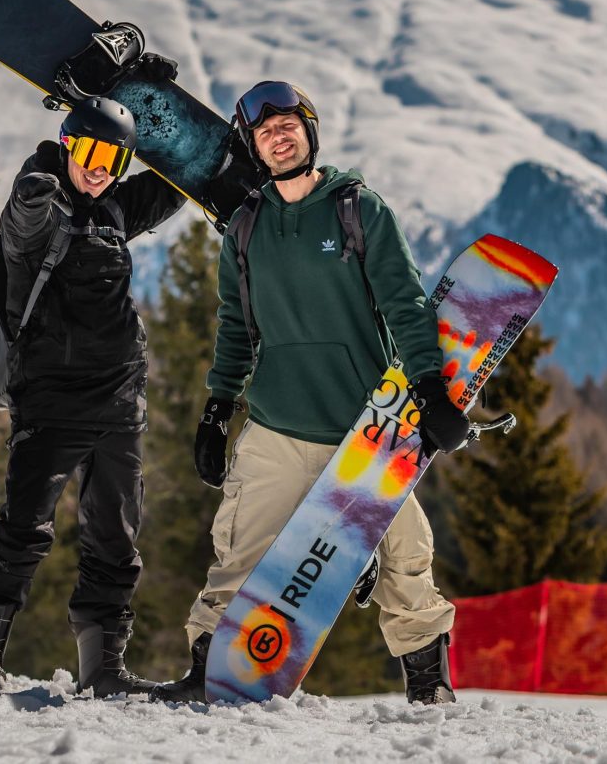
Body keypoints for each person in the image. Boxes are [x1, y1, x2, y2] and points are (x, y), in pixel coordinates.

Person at [152, 80, 469, 706]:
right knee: (237, 557)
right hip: (275, 426)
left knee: (408, 559)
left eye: (289, 122)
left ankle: (428, 687)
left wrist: (431, 389)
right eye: (265, 130)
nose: (279, 133)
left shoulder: (358, 208)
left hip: (366, 431)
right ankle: (207, 672)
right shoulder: (244, 228)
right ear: (254, 147)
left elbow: (406, 305)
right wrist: (218, 409)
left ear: (310, 129)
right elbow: (235, 327)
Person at [0, 97, 187, 697]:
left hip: (119, 400)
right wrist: (41, 183)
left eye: (113, 156)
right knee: (25, 528)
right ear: (67, 145)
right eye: (88, 151)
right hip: (51, 400)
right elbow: (24, 218)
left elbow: (177, 181)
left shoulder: (113, 207)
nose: (100, 166)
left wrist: (146, 103)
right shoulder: (36, 204)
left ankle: (103, 668)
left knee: (115, 536)